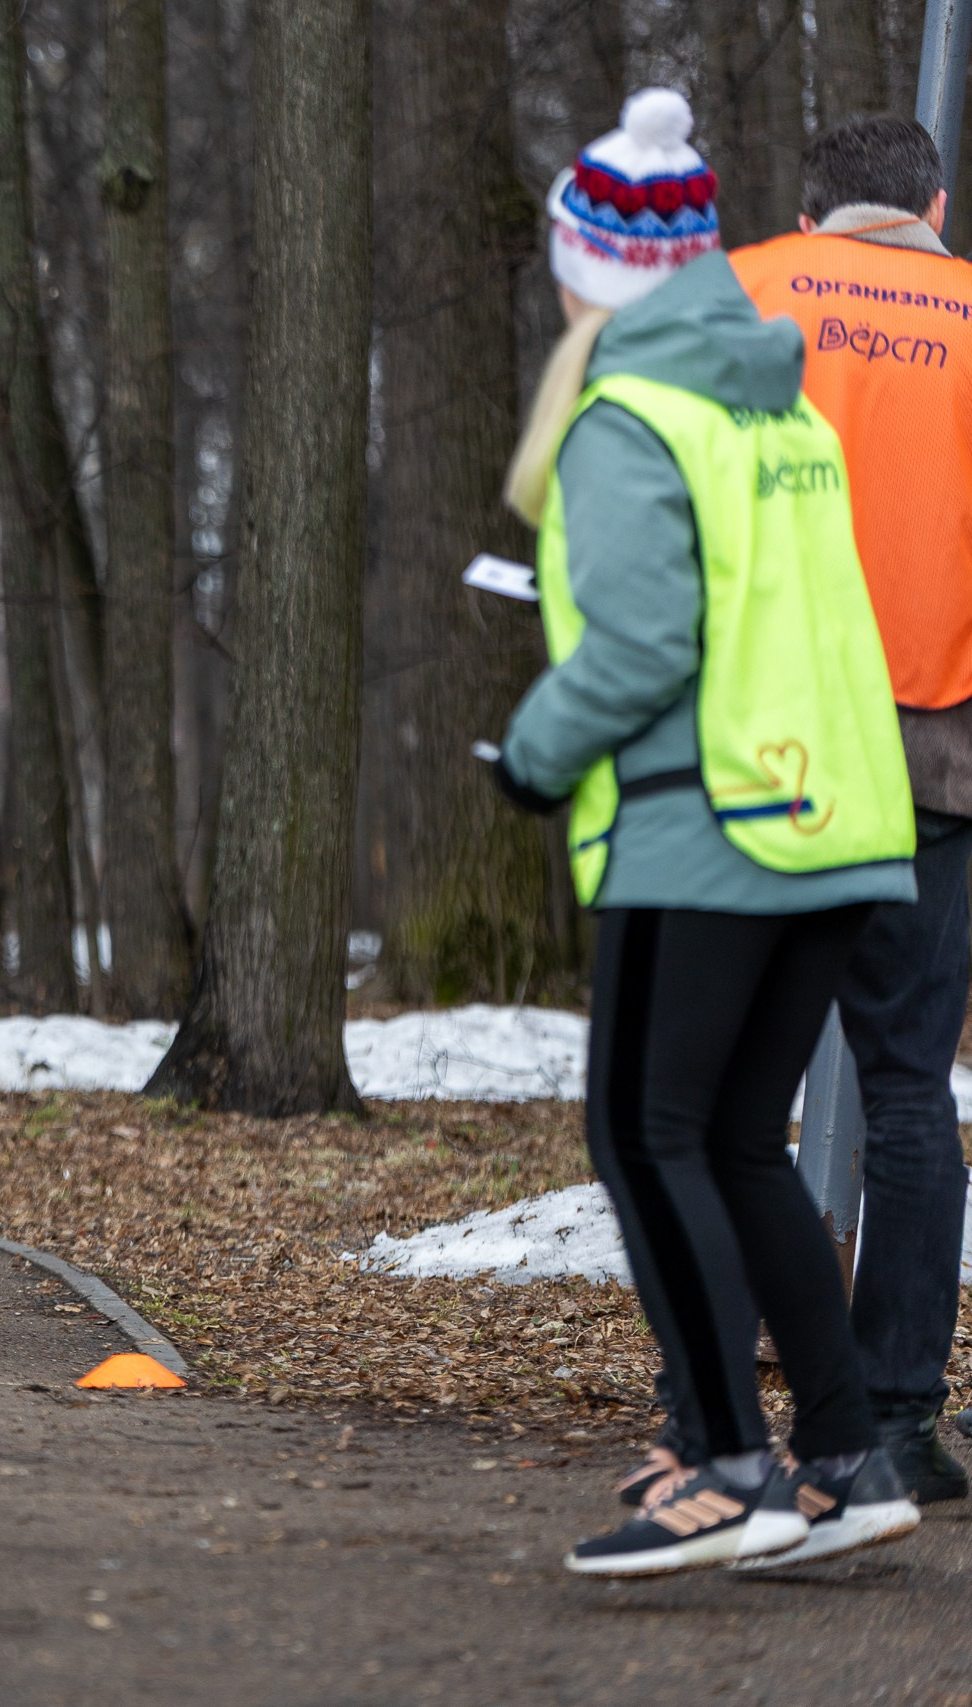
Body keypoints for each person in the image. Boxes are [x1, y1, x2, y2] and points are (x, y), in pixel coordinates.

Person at [491, 88, 922, 1576]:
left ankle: (731, 1463)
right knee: (740, 1140)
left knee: (644, 1132)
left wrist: (533, 757)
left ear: (591, 271)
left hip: (704, 822)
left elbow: (639, 647)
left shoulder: (627, 417)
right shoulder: (774, 404)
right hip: (836, 818)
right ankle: (848, 1456)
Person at [726, 114, 972, 1506]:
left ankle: (712, 1411)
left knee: (718, 1092)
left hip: (758, 746)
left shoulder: (746, 290)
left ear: (812, 211)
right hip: (930, 751)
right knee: (908, 1088)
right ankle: (895, 1420)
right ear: (933, 206)